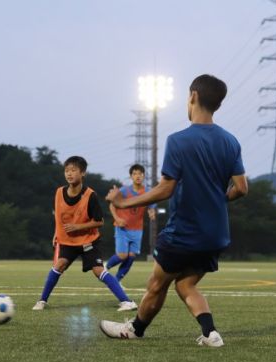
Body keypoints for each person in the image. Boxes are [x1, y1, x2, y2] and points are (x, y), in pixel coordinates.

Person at [99, 74, 248, 347]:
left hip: (184, 232)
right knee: (186, 284)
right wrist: (218, 200)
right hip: (215, 234)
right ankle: (210, 333)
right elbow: (241, 187)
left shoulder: (179, 140)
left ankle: (134, 329)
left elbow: (165, 188)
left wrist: (123, 202)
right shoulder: (230, 141)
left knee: (157, 284)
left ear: (192, 96)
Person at [32, 156, 138, 311]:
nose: (69, 174)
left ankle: (127, 302)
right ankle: (42, 301)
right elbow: (58, 216)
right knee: (59, 265)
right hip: (68, 241)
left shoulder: (90, 195)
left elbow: (99, 221)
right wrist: (56, 233)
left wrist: (78, 227)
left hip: (88, 241)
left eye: (73, 170)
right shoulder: (59, 192)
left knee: (98, 271)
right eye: (67, 170)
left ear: (83, 173)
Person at [106, 164, 156, 285]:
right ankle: (104, 268)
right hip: (122, 228)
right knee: (122, 256)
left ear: (144, 175)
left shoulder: (148, 192)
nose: (137, 176)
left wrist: (152, 213)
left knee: (131, 256)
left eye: (140, 173)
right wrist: (117, 218)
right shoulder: (124, 191)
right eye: (134, 174)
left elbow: (151, 206)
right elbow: (112, 205)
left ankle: (116, 281)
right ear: (131, 176)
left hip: (137, 229)